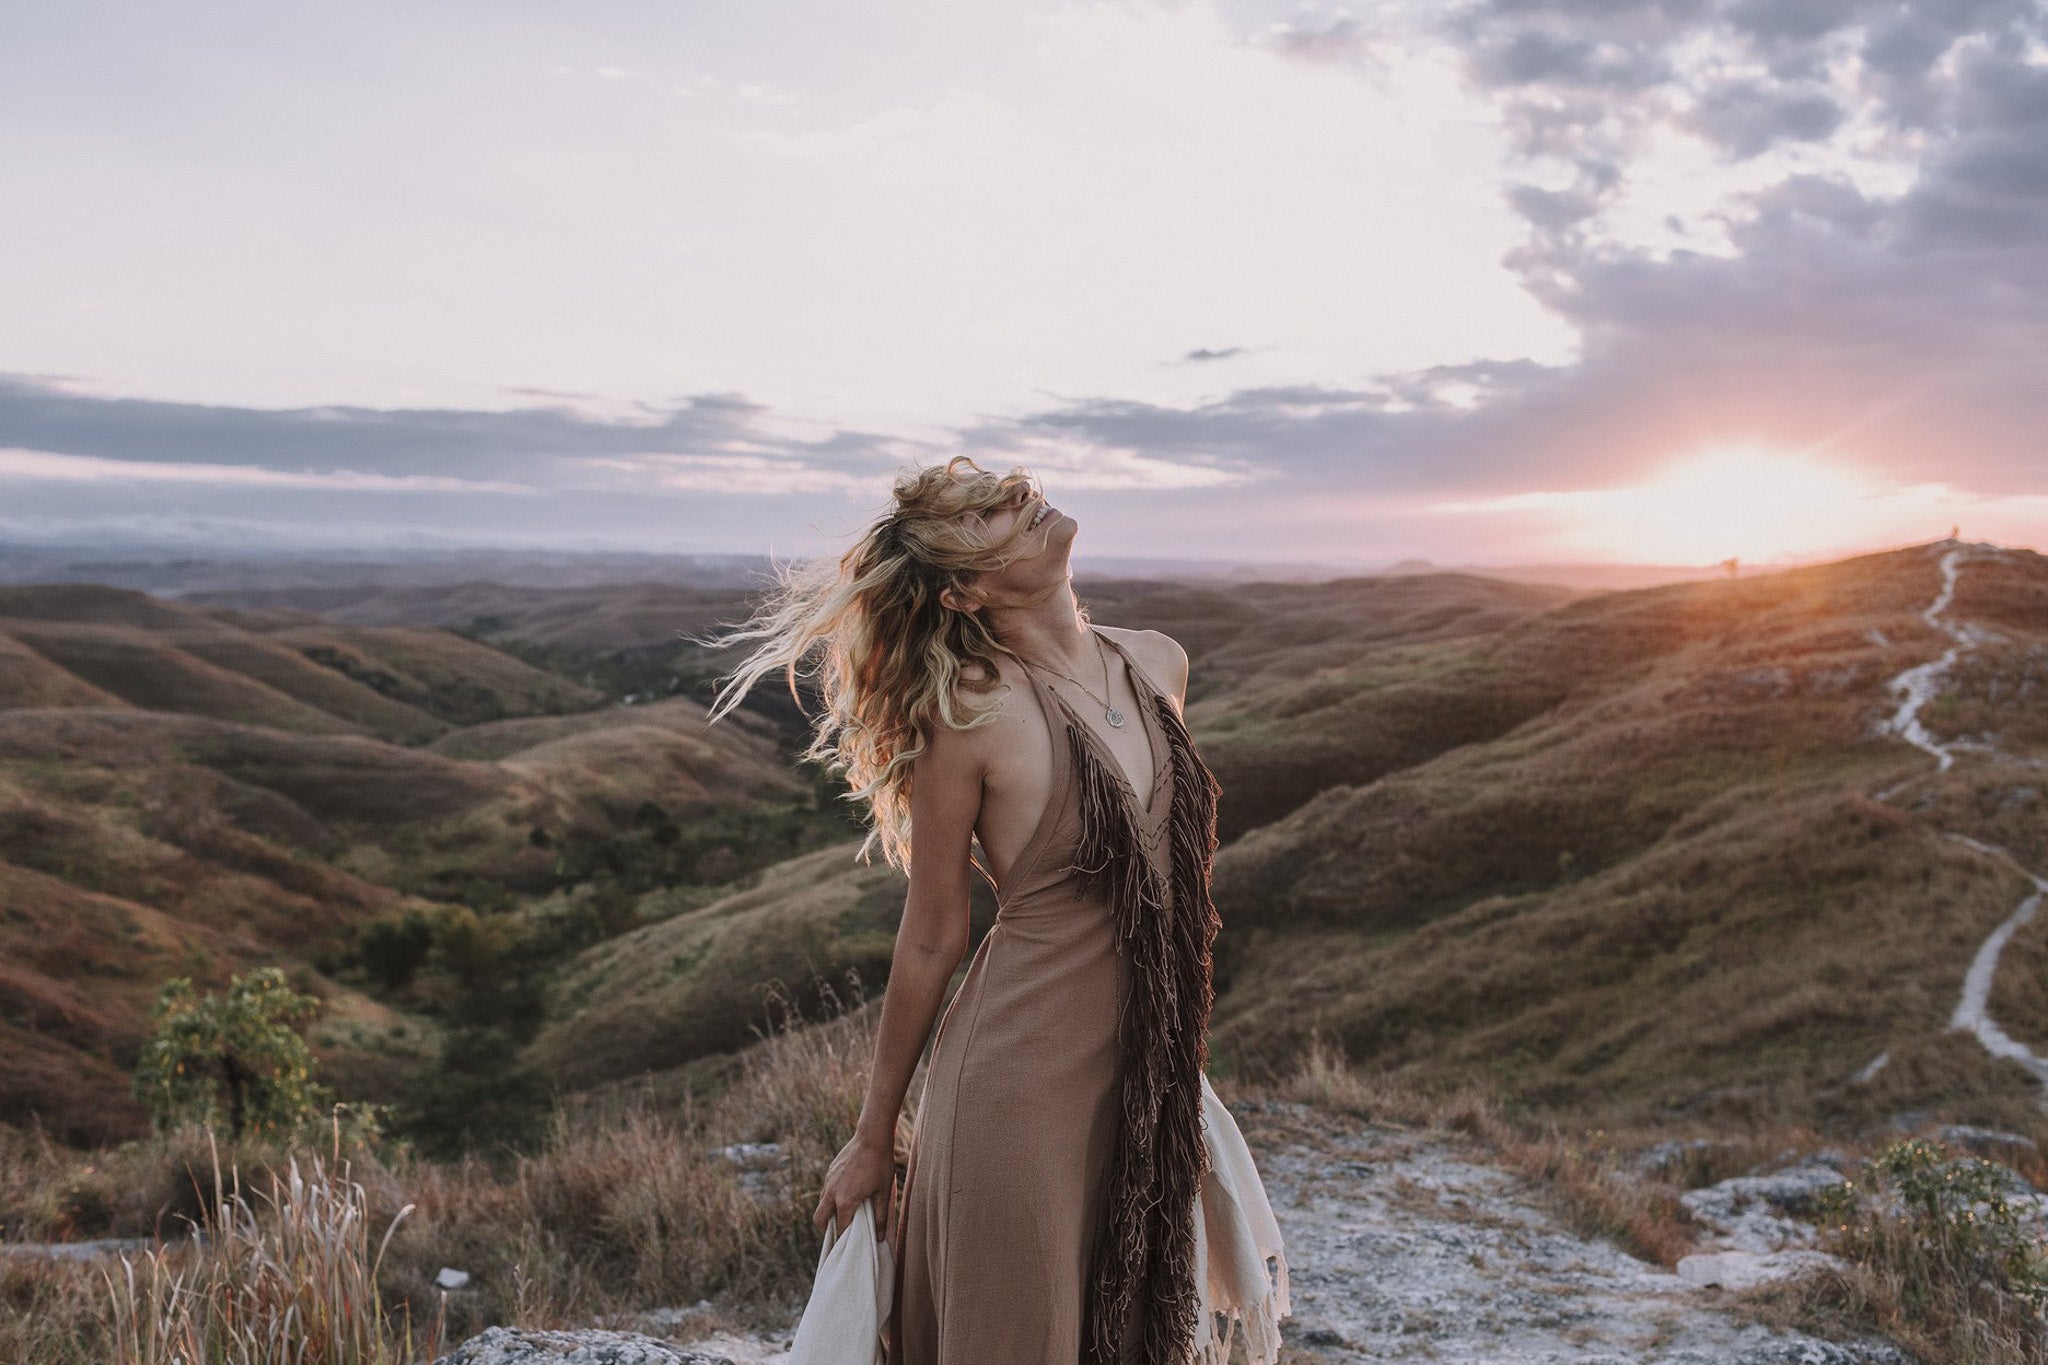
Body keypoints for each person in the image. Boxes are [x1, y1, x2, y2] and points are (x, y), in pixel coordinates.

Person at [701, 454, 1250, 1364]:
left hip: (1147, 1079)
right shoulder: (970, 717)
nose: (1020, 500)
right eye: (985, 515)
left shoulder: (1159, 664)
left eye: (1010, 490)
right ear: (961, 592)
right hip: (1017, 1092)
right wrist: (874, 1136)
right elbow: (932, 939)